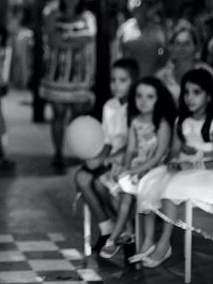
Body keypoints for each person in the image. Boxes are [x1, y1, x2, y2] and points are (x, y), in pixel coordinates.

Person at [132, 68, 213, 268]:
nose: (189, 98)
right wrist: (177, 159)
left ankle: (164, 242)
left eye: (196, 92)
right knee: (151, 182)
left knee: (169, 190)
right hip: (186, 170)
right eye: (186, 92)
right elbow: (174, 151)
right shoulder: (182, 121)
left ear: (209, 95)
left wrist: (198, 158)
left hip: (206, 172)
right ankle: (148, 240)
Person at [100, 77, 176, 259]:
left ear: (159, 99)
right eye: (139, 96)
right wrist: (125, 167)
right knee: (120, 191)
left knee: (130, 195)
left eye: (150, 97)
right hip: (137, 167)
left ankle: (115, 237)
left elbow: (159, 155)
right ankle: (128, 233)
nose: (143, 101)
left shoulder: (162, 123)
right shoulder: (135, 121)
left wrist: (133, 171)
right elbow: (131, 149)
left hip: (155, 169)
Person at [74, 58, 138, 253]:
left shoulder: (136, 107)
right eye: (113, 80)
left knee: (102, 184)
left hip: (130, 158)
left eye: (123, 80)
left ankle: (128, 231)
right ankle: (106, 227)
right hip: (110, 156)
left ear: (134, 81)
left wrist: (107, 160)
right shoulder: (109, 105)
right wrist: (96, 156)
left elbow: (133, 145)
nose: (116, 85)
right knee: (82, 178)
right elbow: (107, 140)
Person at [39, 0, 96, 169]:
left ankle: (80, 150)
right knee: (58, 114)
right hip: (57, 74)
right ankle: (58, 153)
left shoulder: (87, 16)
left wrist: (65, 38)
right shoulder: (54, 15)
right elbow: (53, 39)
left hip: (79, 74)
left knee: (78, 114)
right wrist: (73, 40)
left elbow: (89, 36)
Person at [114, 0, 167, 78]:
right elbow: (118, 56)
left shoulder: (158, 30)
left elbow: (165, 56)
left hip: (151, 78)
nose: (136, 4)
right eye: (133, 0)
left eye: (140, 1)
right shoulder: (124, 29)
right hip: (129, 81)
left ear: (147, 5)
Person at [156, 25, 213, 102]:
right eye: (178, 44)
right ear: (172, 47)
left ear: (195, 46)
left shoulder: (208, 72)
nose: (182, 48)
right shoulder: (162, 76)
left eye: (187, 43)